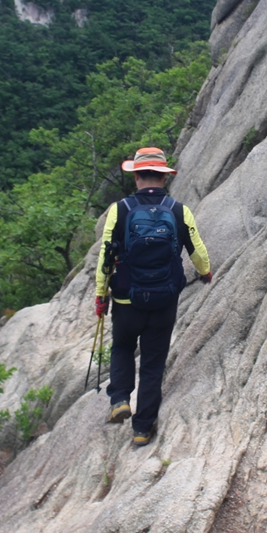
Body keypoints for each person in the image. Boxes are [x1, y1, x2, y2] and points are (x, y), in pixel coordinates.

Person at [94, 147, 211, 447]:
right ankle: (142, 429)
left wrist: (100, 296)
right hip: (163, 300)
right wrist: (205, 272)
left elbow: (105, 257)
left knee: (122, 347)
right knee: (153, 362)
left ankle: (120, 398)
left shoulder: (120, 210)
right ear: (164, 177)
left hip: (126, 299)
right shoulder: (178, 210)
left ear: (136, 176)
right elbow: (197, 249)